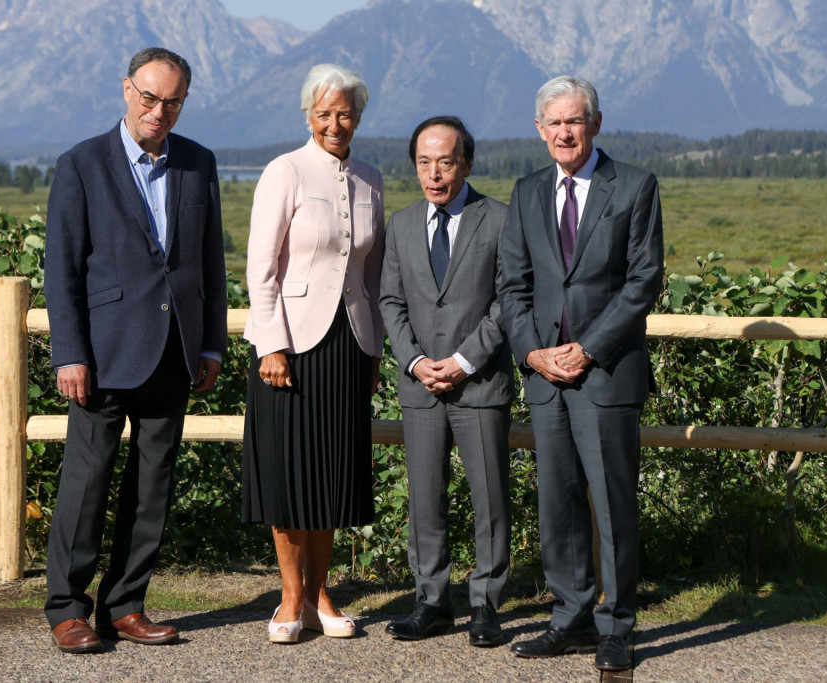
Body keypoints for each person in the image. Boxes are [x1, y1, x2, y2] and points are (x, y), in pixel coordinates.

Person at [43, 47, 227, 654]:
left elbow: (208, 263)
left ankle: (125, 605)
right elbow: (62, 270)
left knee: (153, 487)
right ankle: (68, 610)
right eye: (149, 98)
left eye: (172, 102)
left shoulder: (199, 162)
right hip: (101, 354)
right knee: (86, 483)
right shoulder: (81, 164)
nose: (159, 111)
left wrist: (211, 345)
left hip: (174, 351)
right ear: (126, 90)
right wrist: (69, 352)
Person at [498, 75, 663, 672]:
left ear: (595, 123)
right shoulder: (527, 191)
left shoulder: (636, 186)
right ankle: (568, 618)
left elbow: (644, 280)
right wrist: (533, 353)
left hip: (607, 372)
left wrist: (587, 349)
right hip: (545, 376)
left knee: (613, 503)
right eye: (554, 123)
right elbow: (511, 286)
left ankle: (616, 624)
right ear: (539, 130)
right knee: (558, 502)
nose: (564, 132)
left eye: (575, 120)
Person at [241, 63, 384, 644]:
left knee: (332, 474)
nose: (335, 123)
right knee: (287, 473)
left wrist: (373, 349)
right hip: (291, 346)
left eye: (344, 112)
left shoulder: (372, 177)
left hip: (350, 343)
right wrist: (271, 343)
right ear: (308, 116)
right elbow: (261, 265)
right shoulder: (286, 171)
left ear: (358, 116)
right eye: (324, 113)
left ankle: (324, 594)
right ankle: (290, 597)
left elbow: (372, 278)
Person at [379, 116, 513, 647]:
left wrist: (462, 360)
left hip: (478, 385)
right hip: (419, 386)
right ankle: (432, 601)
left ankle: (486, 605)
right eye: (424, 162)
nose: (434, 174)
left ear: (468, 162)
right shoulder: (402, 223)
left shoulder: (500, 220)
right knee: (425, 499)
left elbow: (508, 301)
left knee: (490, 499)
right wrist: (414, 361)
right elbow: (391, 302)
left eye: (446, 161)